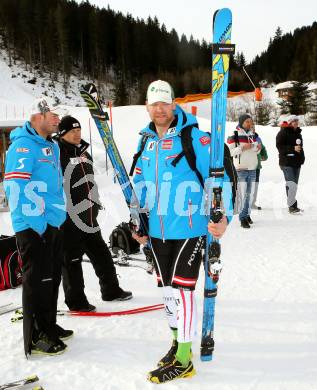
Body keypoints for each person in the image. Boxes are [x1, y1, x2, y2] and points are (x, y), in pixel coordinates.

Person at [131, 80, 233, 384]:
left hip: (190, 228)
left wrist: (223, 216)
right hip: (158, 230)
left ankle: (185, 359)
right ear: (148, 107)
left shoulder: (194, 139)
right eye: (154, 104)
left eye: (165, 103)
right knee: (167, 293)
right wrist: (138, 222)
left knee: (183, 292)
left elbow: (220, 179)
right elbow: (139, 185)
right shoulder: (145, 141)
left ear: (174, 104)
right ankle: (177, 343)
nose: (160, 109)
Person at [4, 97, 71, 356]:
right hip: (34, 227)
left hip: (51, 223)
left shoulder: (50, 145)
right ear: (38, 115)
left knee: (51, 279)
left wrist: (54, 220)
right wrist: (40, 225)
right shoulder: (22, 146)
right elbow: (15, 189)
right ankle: (35, 337)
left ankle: (49, 325)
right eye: (54, 115)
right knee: (36, 282)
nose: (58, 120)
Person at [56, 115, 132, 311]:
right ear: (63, 134)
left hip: (89, 216)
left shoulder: (84, 153)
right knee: (71, 261)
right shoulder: (57, 153)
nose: (77, 134)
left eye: (79, 130)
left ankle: (111, 290)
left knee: (102, 255)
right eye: (72, 131)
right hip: (69, 218)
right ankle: (76, 302)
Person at [227, 114, 261, 228]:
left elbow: (256, 151)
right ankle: (242, 218)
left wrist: (257, 148)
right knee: (243, 194)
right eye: (247, 121)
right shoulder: (234, 135)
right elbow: (230, 152)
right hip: (241, 169)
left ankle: (247, 214)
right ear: (241, 122)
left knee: (249, 195)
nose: (249, 124)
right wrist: (242, 148)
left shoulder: (253, 134)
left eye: (250, 122)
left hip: (253, 168)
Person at [276, 115, 305, 213]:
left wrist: (302, 158)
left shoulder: (298, 133)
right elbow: (279, 147)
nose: (296, 123)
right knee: (291, 184)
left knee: (294, 185)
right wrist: (293, 148)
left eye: (297, 121)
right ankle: (292, 206)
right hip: (286, 163)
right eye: (294, 121)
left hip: (297, 163)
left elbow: (300, 147)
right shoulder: (282, 132)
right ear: (289, 122)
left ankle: (293, 205)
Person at [251, 123, 268, 210]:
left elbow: (263, 148)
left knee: (255, 185)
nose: (252, 129)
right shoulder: (243, 138)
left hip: (257, 166)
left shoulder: (258, 138)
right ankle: (243, 203)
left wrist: (264, 156)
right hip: (246, 166)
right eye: (250, 127)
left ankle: (252, 203)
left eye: (253, 127)